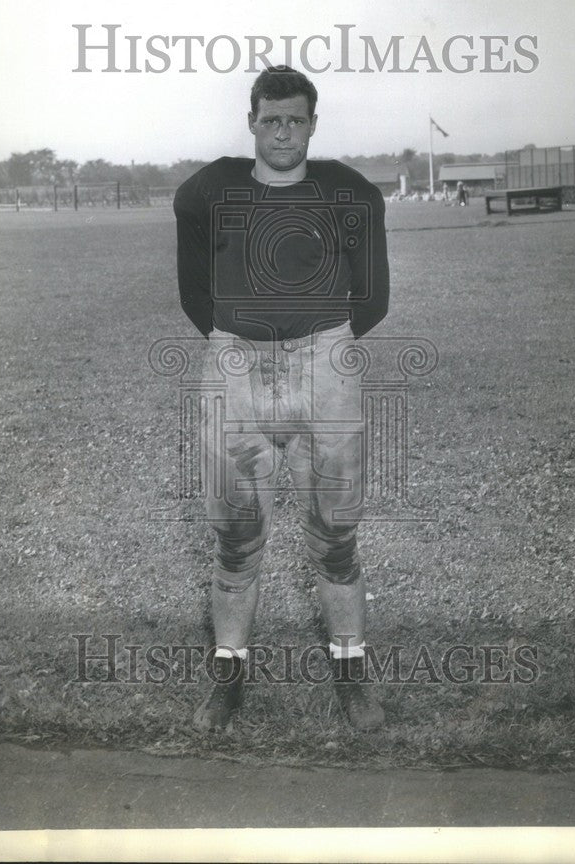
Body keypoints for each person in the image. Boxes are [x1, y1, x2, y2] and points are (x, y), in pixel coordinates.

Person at [173, 66, 390, 731]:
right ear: (251, 123)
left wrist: (315, 339)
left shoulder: (347, 191)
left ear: (312, 124)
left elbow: (373, 296)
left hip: (323, 363)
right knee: (235, 537)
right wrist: (240, 337)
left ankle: (351, 672)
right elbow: (193, 291)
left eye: (294, 119)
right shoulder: (211, 188)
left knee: (335, 536)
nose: (282, 132)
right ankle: (228, 676)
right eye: (271, 119)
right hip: (236, 362)